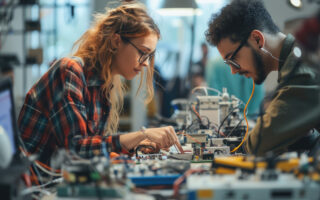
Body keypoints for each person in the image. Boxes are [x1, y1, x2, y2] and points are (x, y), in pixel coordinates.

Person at [18, 2, 183, 165]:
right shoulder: (69, 71)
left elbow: (94, 147)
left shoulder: (103, 84)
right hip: (34, 186)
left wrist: (136, 147)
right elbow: (76, 150)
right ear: (116, 41)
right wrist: (141, 135)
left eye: (149, 56)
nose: (146, 63)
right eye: (143, 53)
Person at [205, 0, 320, 156]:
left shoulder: (301, 70)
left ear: (257, 39)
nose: (232, 70)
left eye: (233, 59)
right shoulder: (292, 64)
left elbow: (258, 144)